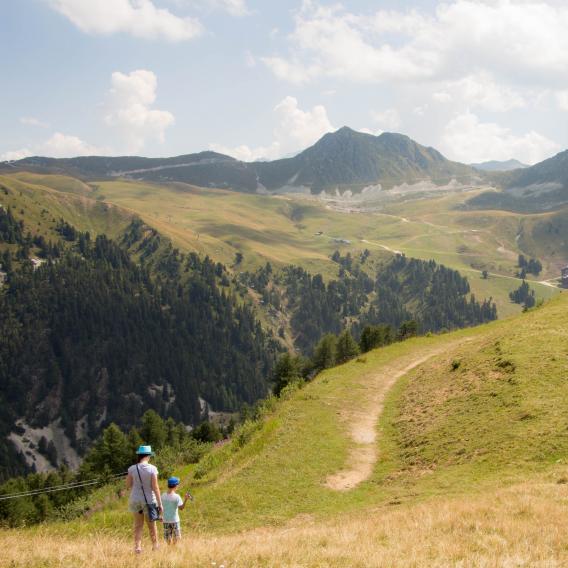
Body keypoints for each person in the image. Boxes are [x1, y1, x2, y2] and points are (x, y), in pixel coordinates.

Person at [126, 445, 163, 554]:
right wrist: (160, 504)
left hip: (135, 499)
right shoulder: (152, 469)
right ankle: (155, 546)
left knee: (138, 525)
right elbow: (155, 487)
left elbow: (128, 485)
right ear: (148, 456)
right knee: (152, 525)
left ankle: (137, 547)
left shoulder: (132, 469)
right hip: (149, 500)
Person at [161, 476, 192, 545]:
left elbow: (160, 507)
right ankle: (174, 549)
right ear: (175, 486)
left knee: (168, 538)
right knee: (176, 538)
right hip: (175, 520)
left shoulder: (163, 495)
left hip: (166, 520)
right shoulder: (177, 496)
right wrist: (186, 499)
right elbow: (181, 508)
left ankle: (169, 549)